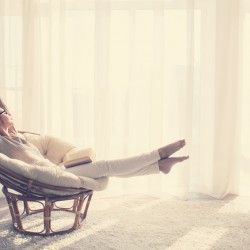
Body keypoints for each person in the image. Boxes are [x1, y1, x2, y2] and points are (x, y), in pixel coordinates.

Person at [0, 102, 189, 179]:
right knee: (105, 167)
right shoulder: (4, 142)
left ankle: (158, 166)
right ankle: (158, 155)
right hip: (49, 177)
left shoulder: (15, 135)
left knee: (105, 169)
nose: (10, 114)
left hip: (55, 171)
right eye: (4, 112)